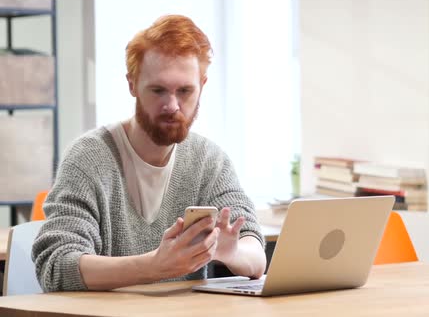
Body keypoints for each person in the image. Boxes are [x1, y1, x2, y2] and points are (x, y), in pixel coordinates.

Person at [32, 15, 266, 292]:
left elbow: (255, 254)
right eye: (158, 90)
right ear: (132, 84)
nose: (172, 105)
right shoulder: (88, 159)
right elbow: (57, 267)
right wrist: (154, 266)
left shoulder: (209, 161)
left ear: (202, 85)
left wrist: (232, 253)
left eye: (185, 91)